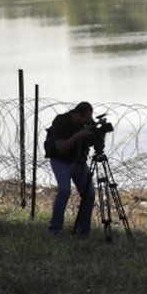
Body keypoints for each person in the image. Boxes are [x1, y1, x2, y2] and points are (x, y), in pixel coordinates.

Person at [44, 101, 96, 237]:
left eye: (90, 118)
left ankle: (82, 232)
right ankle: (55, 229)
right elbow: (61, 148)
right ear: (77, 114)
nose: (88, 121)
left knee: (89, 194)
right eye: (86, 118)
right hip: (60, 161)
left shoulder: (88, 122)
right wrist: (78, 135)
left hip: (79, 162)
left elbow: (93, 143)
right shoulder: (61, 121)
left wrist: (99, 135)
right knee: (65, 190)